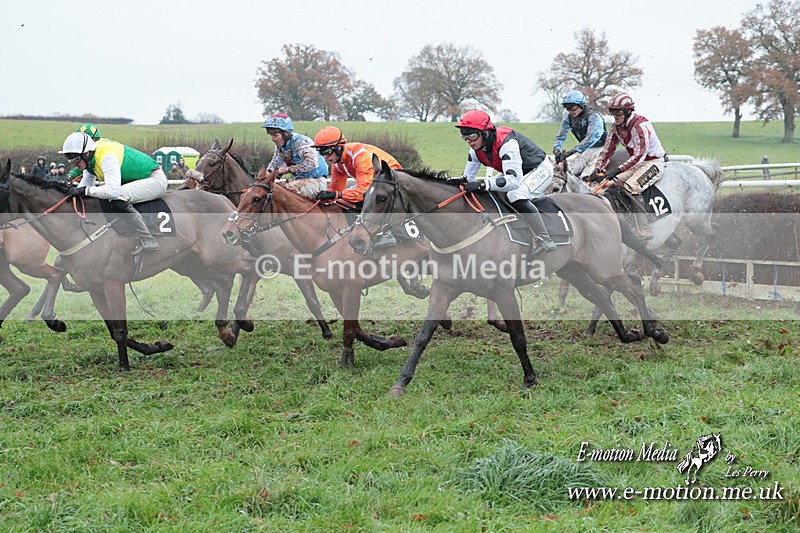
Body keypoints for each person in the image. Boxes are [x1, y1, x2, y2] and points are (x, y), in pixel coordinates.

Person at [455, 109, 556, 256]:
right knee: (490, 193)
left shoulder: (507, 143)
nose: (469, 141)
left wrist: (483, 184)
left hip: (538, 168)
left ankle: (545, 239)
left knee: (515, 194)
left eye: (472, 136)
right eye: (464, 137)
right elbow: (467, 179)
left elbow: (513, 181)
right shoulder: (475, 150)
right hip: (516, 171)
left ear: (486, 133)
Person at [59, 131, 167, 254]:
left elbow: (112, 191)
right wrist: (71, 192)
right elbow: (85, 186)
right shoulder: (90, 160)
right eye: (71, 161)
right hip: (138, 180)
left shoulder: (107, 157)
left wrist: (85, 190)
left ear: (87, 153)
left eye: (77, 160)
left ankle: (148, 239)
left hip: (154, 180)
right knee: (98, 195)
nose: (75, 164)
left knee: (117, 198)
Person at [590, 93, 666, 240]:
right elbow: (607, 151)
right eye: (612, 112)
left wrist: (617, 170)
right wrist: (597, 169)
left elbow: (639, 155)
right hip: (637, 163)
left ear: (628, 111)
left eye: (618, 112)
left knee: (631, 186)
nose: (615, 116)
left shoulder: (639, 125)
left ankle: (645, 229)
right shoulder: (615, 128)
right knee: (608, 184)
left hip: (653, 162)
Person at [311, 126, 400, 206]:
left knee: (349, 200)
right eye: (322, 152)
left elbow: (364, 193)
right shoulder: (337, 163)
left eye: (328, 151)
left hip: (395, 183)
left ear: (338, 147)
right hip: (376, 183)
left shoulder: (360, 157)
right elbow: (335, 189)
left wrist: (336, 194)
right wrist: (321, 197)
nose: (326, 157)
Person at [263, 113, 328, 199]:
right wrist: (267, 174)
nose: (273, 139)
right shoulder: (280, 147)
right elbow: (275, 163)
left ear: (286, 133)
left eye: (275, 135)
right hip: (300, 181)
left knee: (283, 195)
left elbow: (312, 164)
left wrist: (288, 169)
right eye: (271, 136)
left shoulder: (301, 142)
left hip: (317, 180)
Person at [553, 89, 607, 179]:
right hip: (586, 151)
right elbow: (561, 135)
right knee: (568, 172)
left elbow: (592, 137)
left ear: (581, 105)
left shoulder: (594, 116)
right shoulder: (568, 118)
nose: (571, 111)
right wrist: (556, 149)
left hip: (602, 149)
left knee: (585, 176)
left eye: (573, 108)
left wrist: (572, 151)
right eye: (568, 108)